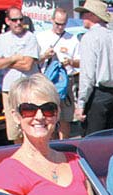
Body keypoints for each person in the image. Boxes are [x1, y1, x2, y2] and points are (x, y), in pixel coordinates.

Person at [0, 74, 97, 195]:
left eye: (48, 109)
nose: (40, 116)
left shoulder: (75, 161)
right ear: (16, 116)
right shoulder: (9, 172)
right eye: (29, 109)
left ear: (57, 114)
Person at [75, 0, 113, 135]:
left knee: (93, 140)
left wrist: (81, 104)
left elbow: (87, 75)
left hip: (98, 95)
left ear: (93, 15)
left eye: (85, 13)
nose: (82, 17)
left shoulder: (90, 38)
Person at [0, 6, 41, 142]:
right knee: (14, 130)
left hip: (28, 89)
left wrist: (4, 62)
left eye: (21, 19)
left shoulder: (30, 37)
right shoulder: (1, 39)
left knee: (31, 125)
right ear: (8, 21)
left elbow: (27, 65)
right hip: (10, 89)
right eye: (14, 20)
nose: (18, 23)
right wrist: (14, 58)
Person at [36, 7, 79, 138]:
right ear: (52, 20)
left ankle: (64, 143)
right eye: (57, 24)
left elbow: (80, 62)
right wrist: (44, 56)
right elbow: (34, 61)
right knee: (48, 116)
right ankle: (50, 143)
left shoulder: (73, 39)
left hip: (66, 82)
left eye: (63, 24)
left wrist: (71, 62)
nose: (60, 27)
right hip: (47, 82)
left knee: (65, 118)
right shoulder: (41, 37)